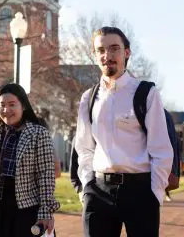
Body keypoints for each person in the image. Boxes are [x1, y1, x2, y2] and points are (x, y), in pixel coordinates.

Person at [74, 26, 173, 237]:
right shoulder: (88, 98)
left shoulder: (146, 93)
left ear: (126, 53)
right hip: (98, 191)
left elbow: (161, 150)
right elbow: (84, 148)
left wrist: (154, 195)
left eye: (114, 49)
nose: (107, 56)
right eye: (101, 50)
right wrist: (87, 189)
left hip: (140, 192)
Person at [0, 83, 60, 236]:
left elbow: (45, 175)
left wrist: (45, 212)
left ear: (23, 106)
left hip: (26, 210)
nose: (6, 110)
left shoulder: (39, 134)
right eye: (2, 105)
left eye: (12, 105)